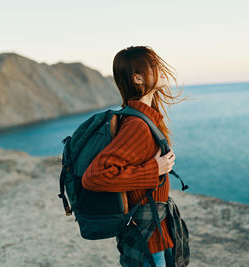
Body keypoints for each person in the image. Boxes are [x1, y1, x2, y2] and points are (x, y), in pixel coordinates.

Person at [81, 45, 190, 267]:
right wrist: (154, 170)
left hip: (154, 234)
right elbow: (94, 176)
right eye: (153, 66)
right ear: (138, 78)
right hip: (147, 241)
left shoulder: (141, 119)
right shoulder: (137, 126)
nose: (160, 69)